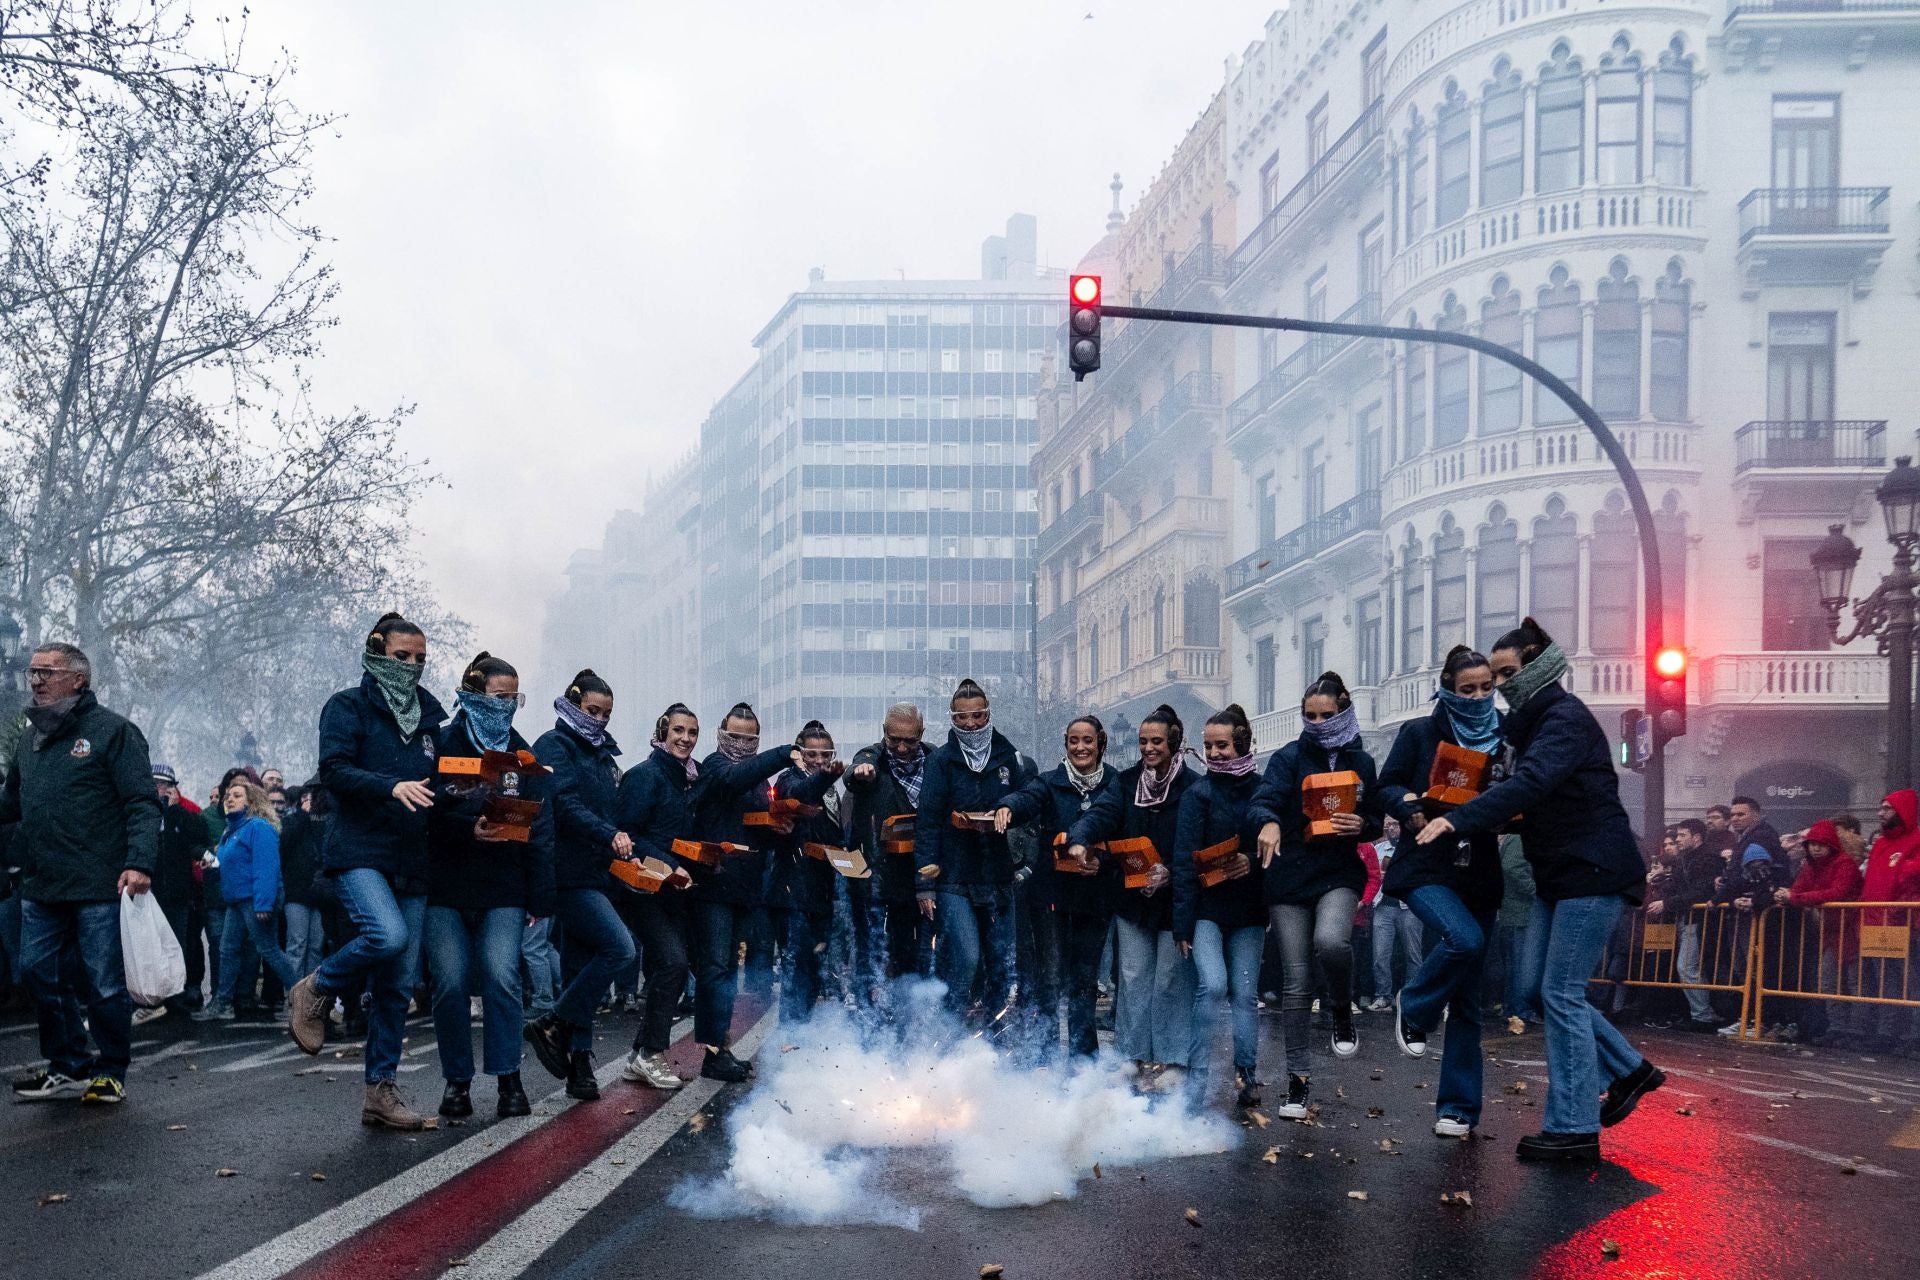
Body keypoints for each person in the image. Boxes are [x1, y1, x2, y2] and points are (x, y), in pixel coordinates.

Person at [1415, 619, 1662, 1163]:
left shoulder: (1562, 719)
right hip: (1563, 874)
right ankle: (1629, 1070)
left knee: (1561, 994)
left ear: (1537, 665)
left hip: (1591, 871)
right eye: (1494, 676)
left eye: (1507, 673)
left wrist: (1459, 821)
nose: (1501, 686)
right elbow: (1530, 802)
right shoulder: (1536, 724)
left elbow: (1531, 786)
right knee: (1534, 989)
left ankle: (1574, 1127)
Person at [286, 612, 446, 1131]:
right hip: (358, 849)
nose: (412, 667)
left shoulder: (428, 717)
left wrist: (474, 806)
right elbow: (332, 770)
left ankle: (380, 1091)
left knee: (398, 985)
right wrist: (390, 785)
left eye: (420, 659)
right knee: (387, 935)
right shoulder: (346, 706)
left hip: (413, 856)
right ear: (377, 652)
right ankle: (316, 985)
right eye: (402, 657)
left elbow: (438, 789)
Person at [4, 643, 160, 1106]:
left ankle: (110, 1070)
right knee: (35, 973)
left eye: (46, 671)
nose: (35, 680)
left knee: (103, 982)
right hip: (41, 882)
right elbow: (11, 803)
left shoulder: (114, 732)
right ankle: (68, 1065)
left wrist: (140, 861)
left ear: (78, 679)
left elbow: (141, 803)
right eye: (32, 671)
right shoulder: (30, 740)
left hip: (99, 882)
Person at [1373, 646, 1508, 1136]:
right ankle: (1415, 1002)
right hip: (1426, 866)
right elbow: (1383, 785)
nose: (1476, 697)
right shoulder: (1418, 733)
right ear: (1448, 688)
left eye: (1485, 688)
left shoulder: (1505, 738)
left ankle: (1457, 1109)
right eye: (1466, 689)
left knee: (1469, 1000)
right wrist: (1406, 803)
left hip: (1480, 872)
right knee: (1464, 939)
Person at [424, 653, 553, 1120]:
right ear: (475, 694)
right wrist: (465, 826)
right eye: (500, 697)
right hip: (446, 886)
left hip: (504, 886)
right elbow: (426, 811)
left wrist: (541, 896)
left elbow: (541, 828)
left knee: (502, 978)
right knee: (451, 984)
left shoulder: (523, 754)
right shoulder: (439, 743)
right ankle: (457, 1081)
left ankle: (508, 1077)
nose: (508, 707)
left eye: (515, 699)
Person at [1251, 673, 1383, 1111]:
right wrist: (1267, 821)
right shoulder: (1289, 757)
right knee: (1295, 981)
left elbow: (1377, 817)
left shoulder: (1362, 762)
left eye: (1327, 714)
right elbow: (1263, 799)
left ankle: (1342, 1008)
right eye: (1310, 716)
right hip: (1289, 876)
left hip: (1338, 872)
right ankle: (1298, 1079)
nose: (1319, 722)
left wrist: (1363, 824)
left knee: (1331, 941)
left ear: (1343, 711)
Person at [1068, 705, 1198, 1089]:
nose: (1148, 749)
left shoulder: (1193, 788)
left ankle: (1174, 1061)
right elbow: (1101, 815)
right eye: (1143, 742)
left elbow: (1198, 839)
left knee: (1171, 979)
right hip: (1132, 901)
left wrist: (1171, 871)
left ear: (1174, 742)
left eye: (1156, 741)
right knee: (1134, 976)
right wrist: (1080, 838)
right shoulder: (1125, 784)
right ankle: (1131, 1056)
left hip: (1174, 902)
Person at [526, 670, 634, 1100]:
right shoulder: (553, 746)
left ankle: (579, 1061)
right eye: (593, 711)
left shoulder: (604, 756)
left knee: (579, 966)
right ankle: (552, 1021)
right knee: (619, 948)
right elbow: (564, 804)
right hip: (567, 873)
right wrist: (608, 833)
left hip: (598, 872)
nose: (600, 721)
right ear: (572, 704)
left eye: (606, 714)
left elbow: (615, 809)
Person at [683, 703, 803, 1078]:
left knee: (725, 970)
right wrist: (783, 753)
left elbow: (754, 826)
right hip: (713, 884)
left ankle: (718, 1046)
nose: (741, 744)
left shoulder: (757, 782)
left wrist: (777, 829)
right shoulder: (715, 766)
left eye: (749, 739)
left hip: (744, 887)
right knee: (715, 968)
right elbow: (733, 779)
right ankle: (713, 1050)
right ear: (722, 735)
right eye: (734, 736)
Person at [1000, 715, 1120, 1061]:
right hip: (1051, 895)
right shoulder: (1050, 782)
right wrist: (1008, 806)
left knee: (1084, 981)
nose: (1080, 747)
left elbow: (1123, 835)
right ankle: (1046, 1054)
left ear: (1101, 743)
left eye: (1087, 741)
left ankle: (1084, 1059)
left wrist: (1105, 860)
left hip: (1094, 896)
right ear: (1065, 745)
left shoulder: (1115, 783)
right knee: (1050, 979)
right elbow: (1027, 799)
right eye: (1073, 741)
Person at [915, 678, 1031, 1025]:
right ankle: (949, 1026)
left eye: (977, 716)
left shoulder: (1008, 755)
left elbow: (1028, 800)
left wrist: (1009, 805)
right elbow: (928, 821)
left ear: (988, 715)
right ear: (952, 719)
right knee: (966, 956)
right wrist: (924, 883)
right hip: (953, 875)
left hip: (996, 874)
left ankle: (991, 1035)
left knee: (999, 960)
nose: (970, 724)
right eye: (962, 718)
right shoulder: (940, 762)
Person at [1171, 705, 1267, 1110]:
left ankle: (1247, 1076)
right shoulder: (1197, 794)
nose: (1214, 753)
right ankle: (1197, 1078)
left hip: (1249, 911)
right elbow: (1181, 860)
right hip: (1206, 910)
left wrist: (1251, 859)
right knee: (1212, 987)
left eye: (1222, 745)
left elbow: (1279, 849)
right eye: (1208, 746)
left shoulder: (1264, 789)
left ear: (1241, 743)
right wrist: (1181, 926)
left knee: (1244, 996)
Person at [196, 777, 301, 1021]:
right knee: (228, 949)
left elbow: (266, 868)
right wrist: (212, 866)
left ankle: (305, 998)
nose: (229, 799)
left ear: (251, 802)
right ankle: (223, 1003)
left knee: (269, 949)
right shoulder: (231, 831)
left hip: (254, 900)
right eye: (228, 796)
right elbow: (230, 864)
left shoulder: (258, 827)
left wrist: (264, 903)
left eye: (237, 795)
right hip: (236, 901)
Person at [845, 703, 934, 993]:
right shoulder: (873, 758)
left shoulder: (935, 761)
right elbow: (853, 772)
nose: (902, 747)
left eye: (910, 740)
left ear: (921, 733)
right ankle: (865, 1014)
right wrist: (862, 773)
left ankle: (909, 1013)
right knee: (869, 950)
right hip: (876, 875)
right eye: (895, 739)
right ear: (884, 733)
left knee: (912, 952)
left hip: (918, 876)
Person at [764, 721, 848, 1026]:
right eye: (812, 754)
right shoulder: (789, 780)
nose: (820, 761)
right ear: (800, 754)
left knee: (814, 968)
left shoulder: (831, 792)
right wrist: (824, 777)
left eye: (826, 755)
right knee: (795, 969)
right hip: (791, 892)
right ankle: (789, 1035)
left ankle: (803, 1034)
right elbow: (800, 794)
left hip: (821, 892)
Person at [1773, 820, 1862, 1046]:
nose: (1815, 848)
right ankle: (1839, 1027)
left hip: (1852, 930)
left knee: (1854, 983)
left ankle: (1856, 1030)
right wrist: (1789, 896)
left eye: (1821, 844)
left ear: (1831, 844)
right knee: (1829, 981)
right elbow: (1800, 890)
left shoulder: (1845, 864)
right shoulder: (1810, 866)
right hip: (1831, 930)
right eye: (1812, 844)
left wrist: (1793, 898)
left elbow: (1837, 893)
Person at [1852, 792, 1920, 1050]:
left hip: (1906, 922)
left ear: (1902, 811)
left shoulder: (1916, 841)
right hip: (1876, 923)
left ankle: (1913, 1034)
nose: (1880, 814)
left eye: (1887, 809)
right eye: (1881, 808)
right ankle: (1886, 1030)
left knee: (1911, 981)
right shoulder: (1880, 843)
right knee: (1885, 981)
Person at [144, 762, 210, 1024]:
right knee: (149, 947)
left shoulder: (186, 813)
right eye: (155, 784)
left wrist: (173, 811)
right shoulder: (142, 813)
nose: (158, 789)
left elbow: (197, 838)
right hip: (149, 893)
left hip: (177, 895)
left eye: (163, 785)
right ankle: (150, 998)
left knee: (176, 947)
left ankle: (176, 997)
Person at [1646, 818, 1721, 1032]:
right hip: (1685, 917)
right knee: (1690, 967)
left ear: (1695, 837)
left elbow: (1700, 890)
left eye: (1681, 835)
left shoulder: (1708, 858)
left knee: (1687, 967)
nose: (1677, 840)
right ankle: (1701, 1013)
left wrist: (1666, 902)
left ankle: (1703, 1015)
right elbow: (1678, 886)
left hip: (1697, 918)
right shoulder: (1683, 859)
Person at [279, 785, 328, 982]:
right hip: (296, 892)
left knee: (316, 946)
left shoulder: (325, 822)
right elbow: (284, 844)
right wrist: (303, 816)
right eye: (305, 798)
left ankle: (311, 996)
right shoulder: (291, 820)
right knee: (297, 945)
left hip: (320, 893)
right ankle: (292, 995)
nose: (309, 801)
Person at [1729, 796, 1786, 876]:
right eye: (1732, 815)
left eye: (1740, 815)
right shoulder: (1747, 836)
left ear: (1756, 816)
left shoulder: (1762, 837)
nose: (1734, 819)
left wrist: (1728, 884)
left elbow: (1756, 878)